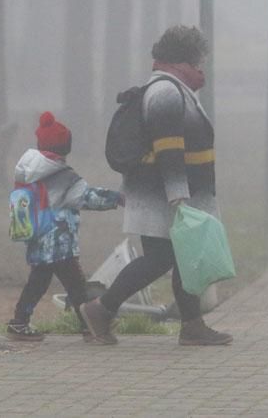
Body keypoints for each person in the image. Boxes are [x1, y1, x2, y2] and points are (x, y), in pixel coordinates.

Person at [81, 25, 233, 346]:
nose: (201, 70)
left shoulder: (177, 90)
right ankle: (101, 309)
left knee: (181, 259)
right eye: (197, 63)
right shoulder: (166, 92)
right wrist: (178, 195)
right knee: (160, 259)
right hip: (165, 196)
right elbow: (169, 147)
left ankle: (192, 325)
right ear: (181, 62)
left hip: (168, 194)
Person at [7, 111, 123, 342]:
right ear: (65, 147)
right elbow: (85, 197)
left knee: (44, 284)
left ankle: (21, 322)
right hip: (59, 241)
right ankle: (90, 326)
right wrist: (116, 198)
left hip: (38, 237)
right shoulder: (63, 176)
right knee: (75, 286)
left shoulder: (30, 172)